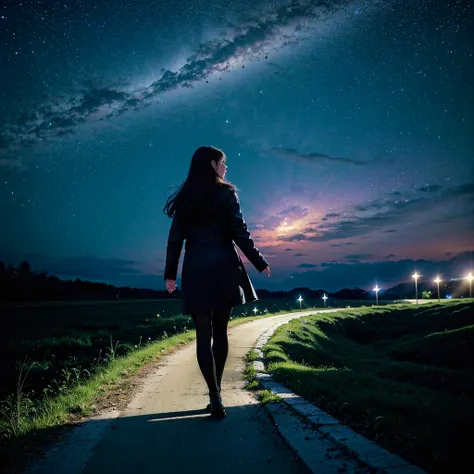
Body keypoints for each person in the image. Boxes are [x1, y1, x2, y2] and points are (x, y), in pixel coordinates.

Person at [163, 145, 271, 420]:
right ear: (213, 163)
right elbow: (239, 232)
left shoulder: (186, 196)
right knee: (220, 331)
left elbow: (175, 239)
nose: (226, 167)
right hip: (223, 266)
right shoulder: (226, 193)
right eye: (223, 162)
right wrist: (259, 261)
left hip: (197, 268)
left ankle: (214, 393)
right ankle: (217, 392)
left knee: (203, 334)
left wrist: (169, 274)